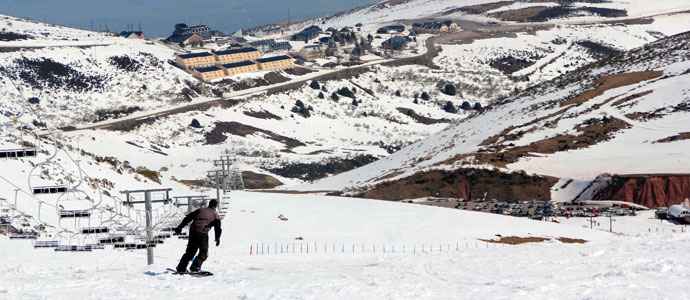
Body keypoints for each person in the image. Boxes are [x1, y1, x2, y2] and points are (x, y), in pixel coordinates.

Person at [174, 199, 222, 272]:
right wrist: (217, 238)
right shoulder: (215, 215)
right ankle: (195, 267)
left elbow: (188, 217)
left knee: (190, 252)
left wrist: (180, 227)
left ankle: (181, 267)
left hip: (193, 231)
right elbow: (218, 228)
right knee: (204, 253)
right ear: (216, 206)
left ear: (209, 204)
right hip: (202, 233)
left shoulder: (200, 210)